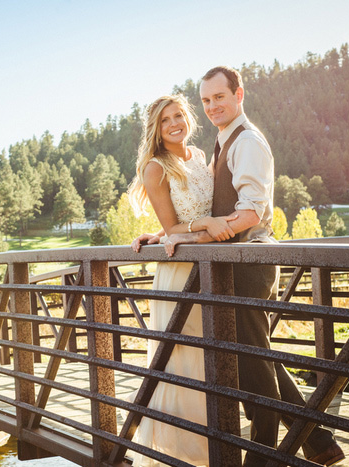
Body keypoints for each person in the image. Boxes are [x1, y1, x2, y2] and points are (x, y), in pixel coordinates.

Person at [137, 66, 345, 467]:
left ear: (239, 95)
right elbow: (196, 209)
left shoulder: (246, 141)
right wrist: (164, 234)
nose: (213, 106)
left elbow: (250, 212)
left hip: (247, 260)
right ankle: (318, 442)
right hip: (228, 262)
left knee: (253, 363)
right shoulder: (219, 142)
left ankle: (266, 457)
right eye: (207, 100)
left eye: (220, 97)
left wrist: (197, 235)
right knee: (254, 356)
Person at [127, 93, 237, 466]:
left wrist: (169, 233)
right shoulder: (155, 167)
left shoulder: (201, 157)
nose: (174, 123)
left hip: (211, 267)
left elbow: (173, 229)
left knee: (214, 355)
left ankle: (219, 442)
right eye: (165, 120)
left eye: (178, 115)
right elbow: (172, 225)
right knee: (184, 360)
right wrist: (196, 226)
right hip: (180, 274)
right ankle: (187, 453)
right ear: (156, 129)